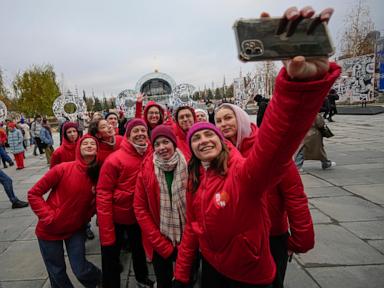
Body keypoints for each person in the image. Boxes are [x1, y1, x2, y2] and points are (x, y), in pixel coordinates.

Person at [173, 7, 340, 287]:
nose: (203, 140)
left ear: (223, 143)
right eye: (196, 139)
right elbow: (193, 227)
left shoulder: (243, 173)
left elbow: (277, 148)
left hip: (248, 271)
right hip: (213, 269)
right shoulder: (198, 177)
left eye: (209, 135)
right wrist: (181, 273)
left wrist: (300, 86)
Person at [215, 103, 314, 288]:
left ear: (241, 118)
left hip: (272, 236)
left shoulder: (267, 148)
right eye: (218, 121)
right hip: (240, 239)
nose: (223, 124)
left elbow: (294, 194)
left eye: (228, 118)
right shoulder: (221, 153)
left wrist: (300, 241)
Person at [28, 135, 102, 288]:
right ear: (79, 149)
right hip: (50, 230)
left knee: (80, 268)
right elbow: (34, 193)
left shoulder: (99, 174)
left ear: (97, 150)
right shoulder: (63, 168)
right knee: (57, 271)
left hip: (75, 229)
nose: (89, 145)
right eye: (85, 143)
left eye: (92, 144)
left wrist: (86, 216)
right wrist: (49, 216)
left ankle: (100, 280)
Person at [97, 119, 154, 288]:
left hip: (140, 215)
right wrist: (105, 225)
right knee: (111, 254)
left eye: (143, 130)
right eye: (135, 131)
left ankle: (142, 277)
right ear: (128, 136)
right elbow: (103, 193)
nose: (140, 134)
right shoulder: (115, 159)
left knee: (139, 248)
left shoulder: (152, 154)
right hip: (118, 216)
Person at [134, 125, 191, 288]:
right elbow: (139, 208)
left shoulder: (189, 165)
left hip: (188, 239)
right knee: (164, 281)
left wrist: (188, 242)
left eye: (165, 142)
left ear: (174, 143)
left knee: (187, 280)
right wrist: (162, 245)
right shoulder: (146, 170)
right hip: (160, 238)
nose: (161, 147)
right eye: (157, 144)